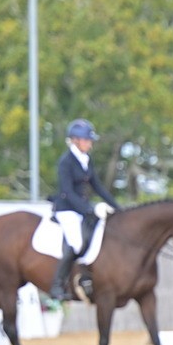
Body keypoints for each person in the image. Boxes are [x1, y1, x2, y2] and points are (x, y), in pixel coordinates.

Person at [50, 118, 121, 300]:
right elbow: (67, 191)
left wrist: (117, 207)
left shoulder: (87, 159)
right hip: (67, 209)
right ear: (75, 140)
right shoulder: (65, 162)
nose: (90, 144)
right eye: (87, 140)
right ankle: (57, 285)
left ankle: (88, 277)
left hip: (81, 208)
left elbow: (98, 186)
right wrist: (88, 209)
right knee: (75, 242)